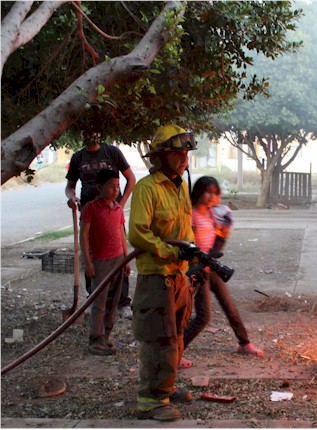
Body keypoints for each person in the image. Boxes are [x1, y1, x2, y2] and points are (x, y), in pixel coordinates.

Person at [128, 124, 199, 421]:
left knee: (177, 334)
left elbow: (186, 227)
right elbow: (137, 233)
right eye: (177, 153)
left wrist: (193, 256)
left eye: (185, 153)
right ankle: (150, 400)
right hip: (156, 276)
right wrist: (170, 251)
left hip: (178, 275)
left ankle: (165, 389)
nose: (184, 159)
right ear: (160, 156)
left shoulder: (181, 185)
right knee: (159, 337)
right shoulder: (147, 188)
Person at [180, 176, 262, 369]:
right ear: (198, 191)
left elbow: (220, 239)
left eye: (215, 193)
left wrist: (212, 257)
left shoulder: (214, 214)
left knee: (229, 306)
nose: (211, 196)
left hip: (211, 268)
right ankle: (175, 352)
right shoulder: (189, 215)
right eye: (208, 191)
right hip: (197, 271)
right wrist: (200, 263)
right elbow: (187, 243)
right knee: (203, 316)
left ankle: (244, 343)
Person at [66, 129, 136, 319]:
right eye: (86, 133)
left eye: (95, 132)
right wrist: (71, 198)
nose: (90, 136)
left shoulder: (112, 152)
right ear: (81, 135)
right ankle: (93, 298)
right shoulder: (78, 158)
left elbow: (131, 179)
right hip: (89, 213)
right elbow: (70, 186)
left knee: (118, 252)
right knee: (92, 255)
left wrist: (120, 205)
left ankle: (122, 302)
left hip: (113, 214)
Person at [79, 169, 131, 356]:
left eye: (117, 186)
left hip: (117, 260)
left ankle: (106, 336)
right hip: (100, 262)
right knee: (99, 302)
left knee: (114, 301)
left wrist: (126, 258)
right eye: (111, 186)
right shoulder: (90, 209)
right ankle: (95, 340)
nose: (116, 190)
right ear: (100, 187)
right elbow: (83, 235)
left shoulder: (117, 208)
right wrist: (88, 263)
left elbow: (121, 234)